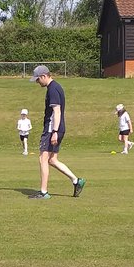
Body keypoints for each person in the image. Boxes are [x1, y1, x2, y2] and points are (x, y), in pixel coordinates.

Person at [30, 64, 85, 199]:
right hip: (58, 129)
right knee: (52, 160)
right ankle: (76, 181)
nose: (37, 82)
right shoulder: (56, 87)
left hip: (52, 129)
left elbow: (57, 111)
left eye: (38, 79)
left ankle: (44, 192)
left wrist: (54, 131)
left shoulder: (52, 89)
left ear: (44, 76)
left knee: (43, 158)